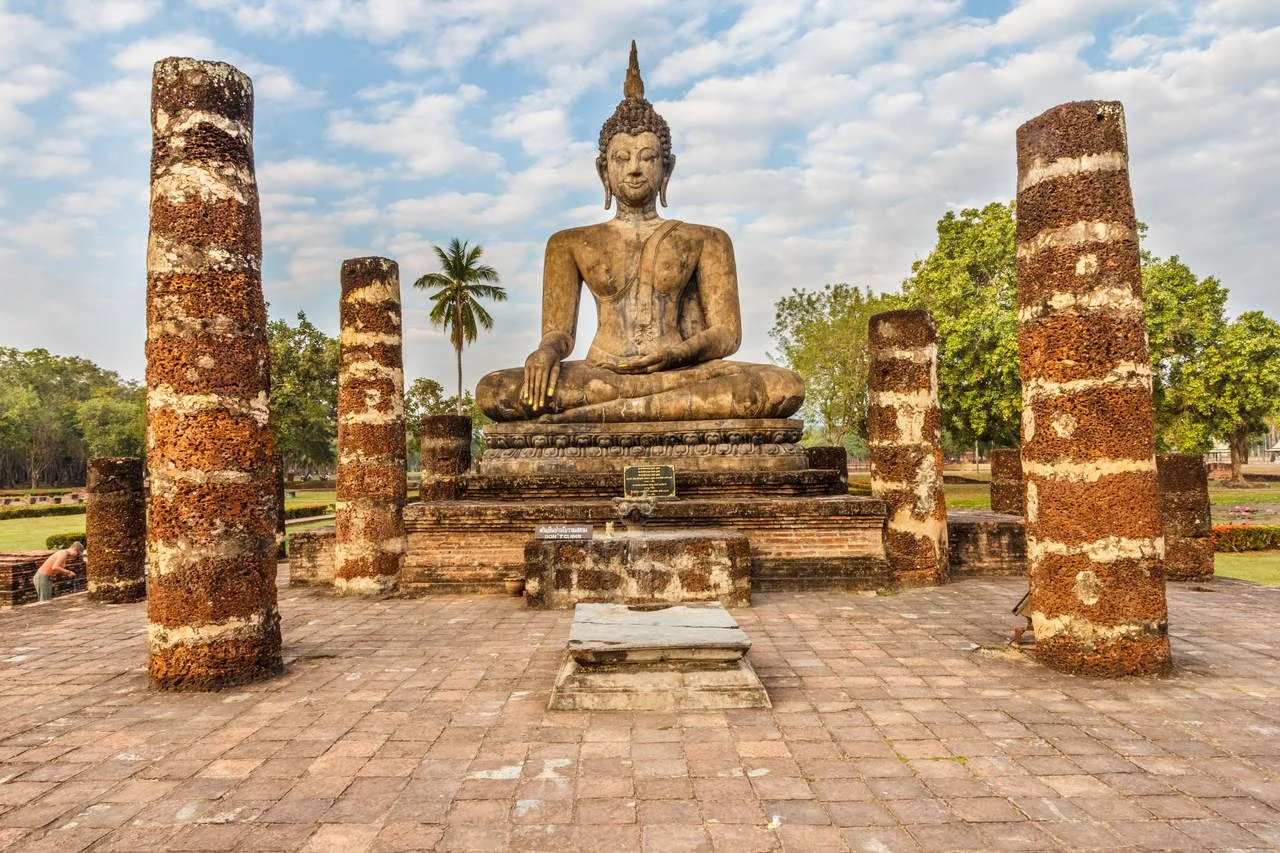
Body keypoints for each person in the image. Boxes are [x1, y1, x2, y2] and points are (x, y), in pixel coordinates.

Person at [476, 42, 803, 424]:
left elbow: (727, 333)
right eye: (622, 158)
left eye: (647, 157)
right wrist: (546, 353)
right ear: (603, 170)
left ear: (667, 168)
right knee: (494, 390)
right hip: (601, 374)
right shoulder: (569, 243)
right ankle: (636, 409)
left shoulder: (706, 240)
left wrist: (678, 355)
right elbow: (559, 334)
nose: (634, 168)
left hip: (680, 371)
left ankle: (598, 415)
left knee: (782, 386)